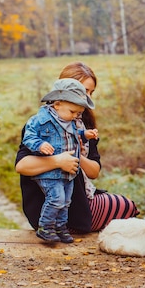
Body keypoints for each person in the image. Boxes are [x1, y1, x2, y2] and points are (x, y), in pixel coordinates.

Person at [15, 62, 139, 233]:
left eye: (91, 92)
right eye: (84, 90)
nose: (87, 97)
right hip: (48, 205)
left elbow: (94, 172)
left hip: (80, 196)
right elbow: (22, 166)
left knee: (126, 205)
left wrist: (77, 155)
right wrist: (58, 160)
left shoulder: (83, 124)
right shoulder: (41, 123)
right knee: (126, 207)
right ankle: (57, 226)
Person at [22, 78, 95, 243]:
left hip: (68, 173)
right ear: (57, 104)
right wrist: (40, 144)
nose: (76, 116)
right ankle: (45, 227)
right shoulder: (41, 120)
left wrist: (85, 135)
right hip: (50, 173)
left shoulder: (70, 121)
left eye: (78, 113)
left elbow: (74, 135)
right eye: (73, 112)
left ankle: (61, 227)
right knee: (56, 199)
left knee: (66, 201)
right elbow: (29, 136)